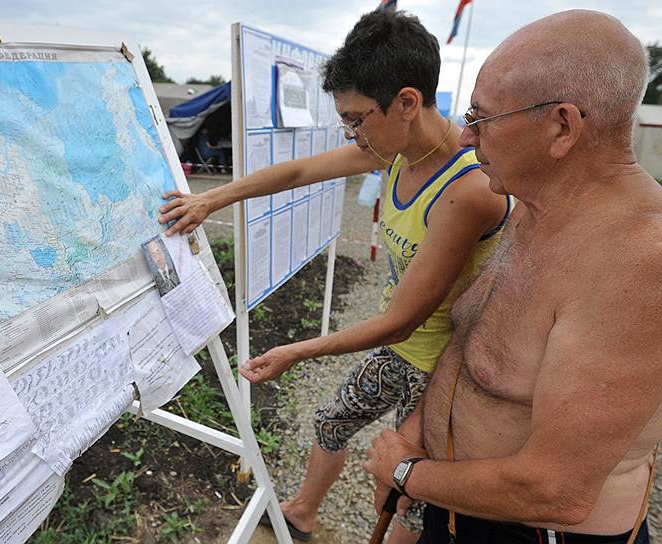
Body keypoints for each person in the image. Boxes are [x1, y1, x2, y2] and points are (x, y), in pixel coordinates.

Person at [158, 9, 511, 542]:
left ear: (407, 103)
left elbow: (399, 322)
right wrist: (211, 198)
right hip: (403, 350)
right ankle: (302, 512)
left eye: (355, 117)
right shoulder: (392, 151)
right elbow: (300, 171)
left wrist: (297, 351)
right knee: (332, 422)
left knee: (405, 492)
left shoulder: (466, 189)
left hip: (446, 365)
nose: (350, 132)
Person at [363, 10, 662, 544]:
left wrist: (408, 473)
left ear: (562, 128)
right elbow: (470, 342)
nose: (463, 138)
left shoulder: (640, 262)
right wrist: (414, 440)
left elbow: (558, 490)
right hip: (457, 500)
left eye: (481, 119)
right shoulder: (535, 200)